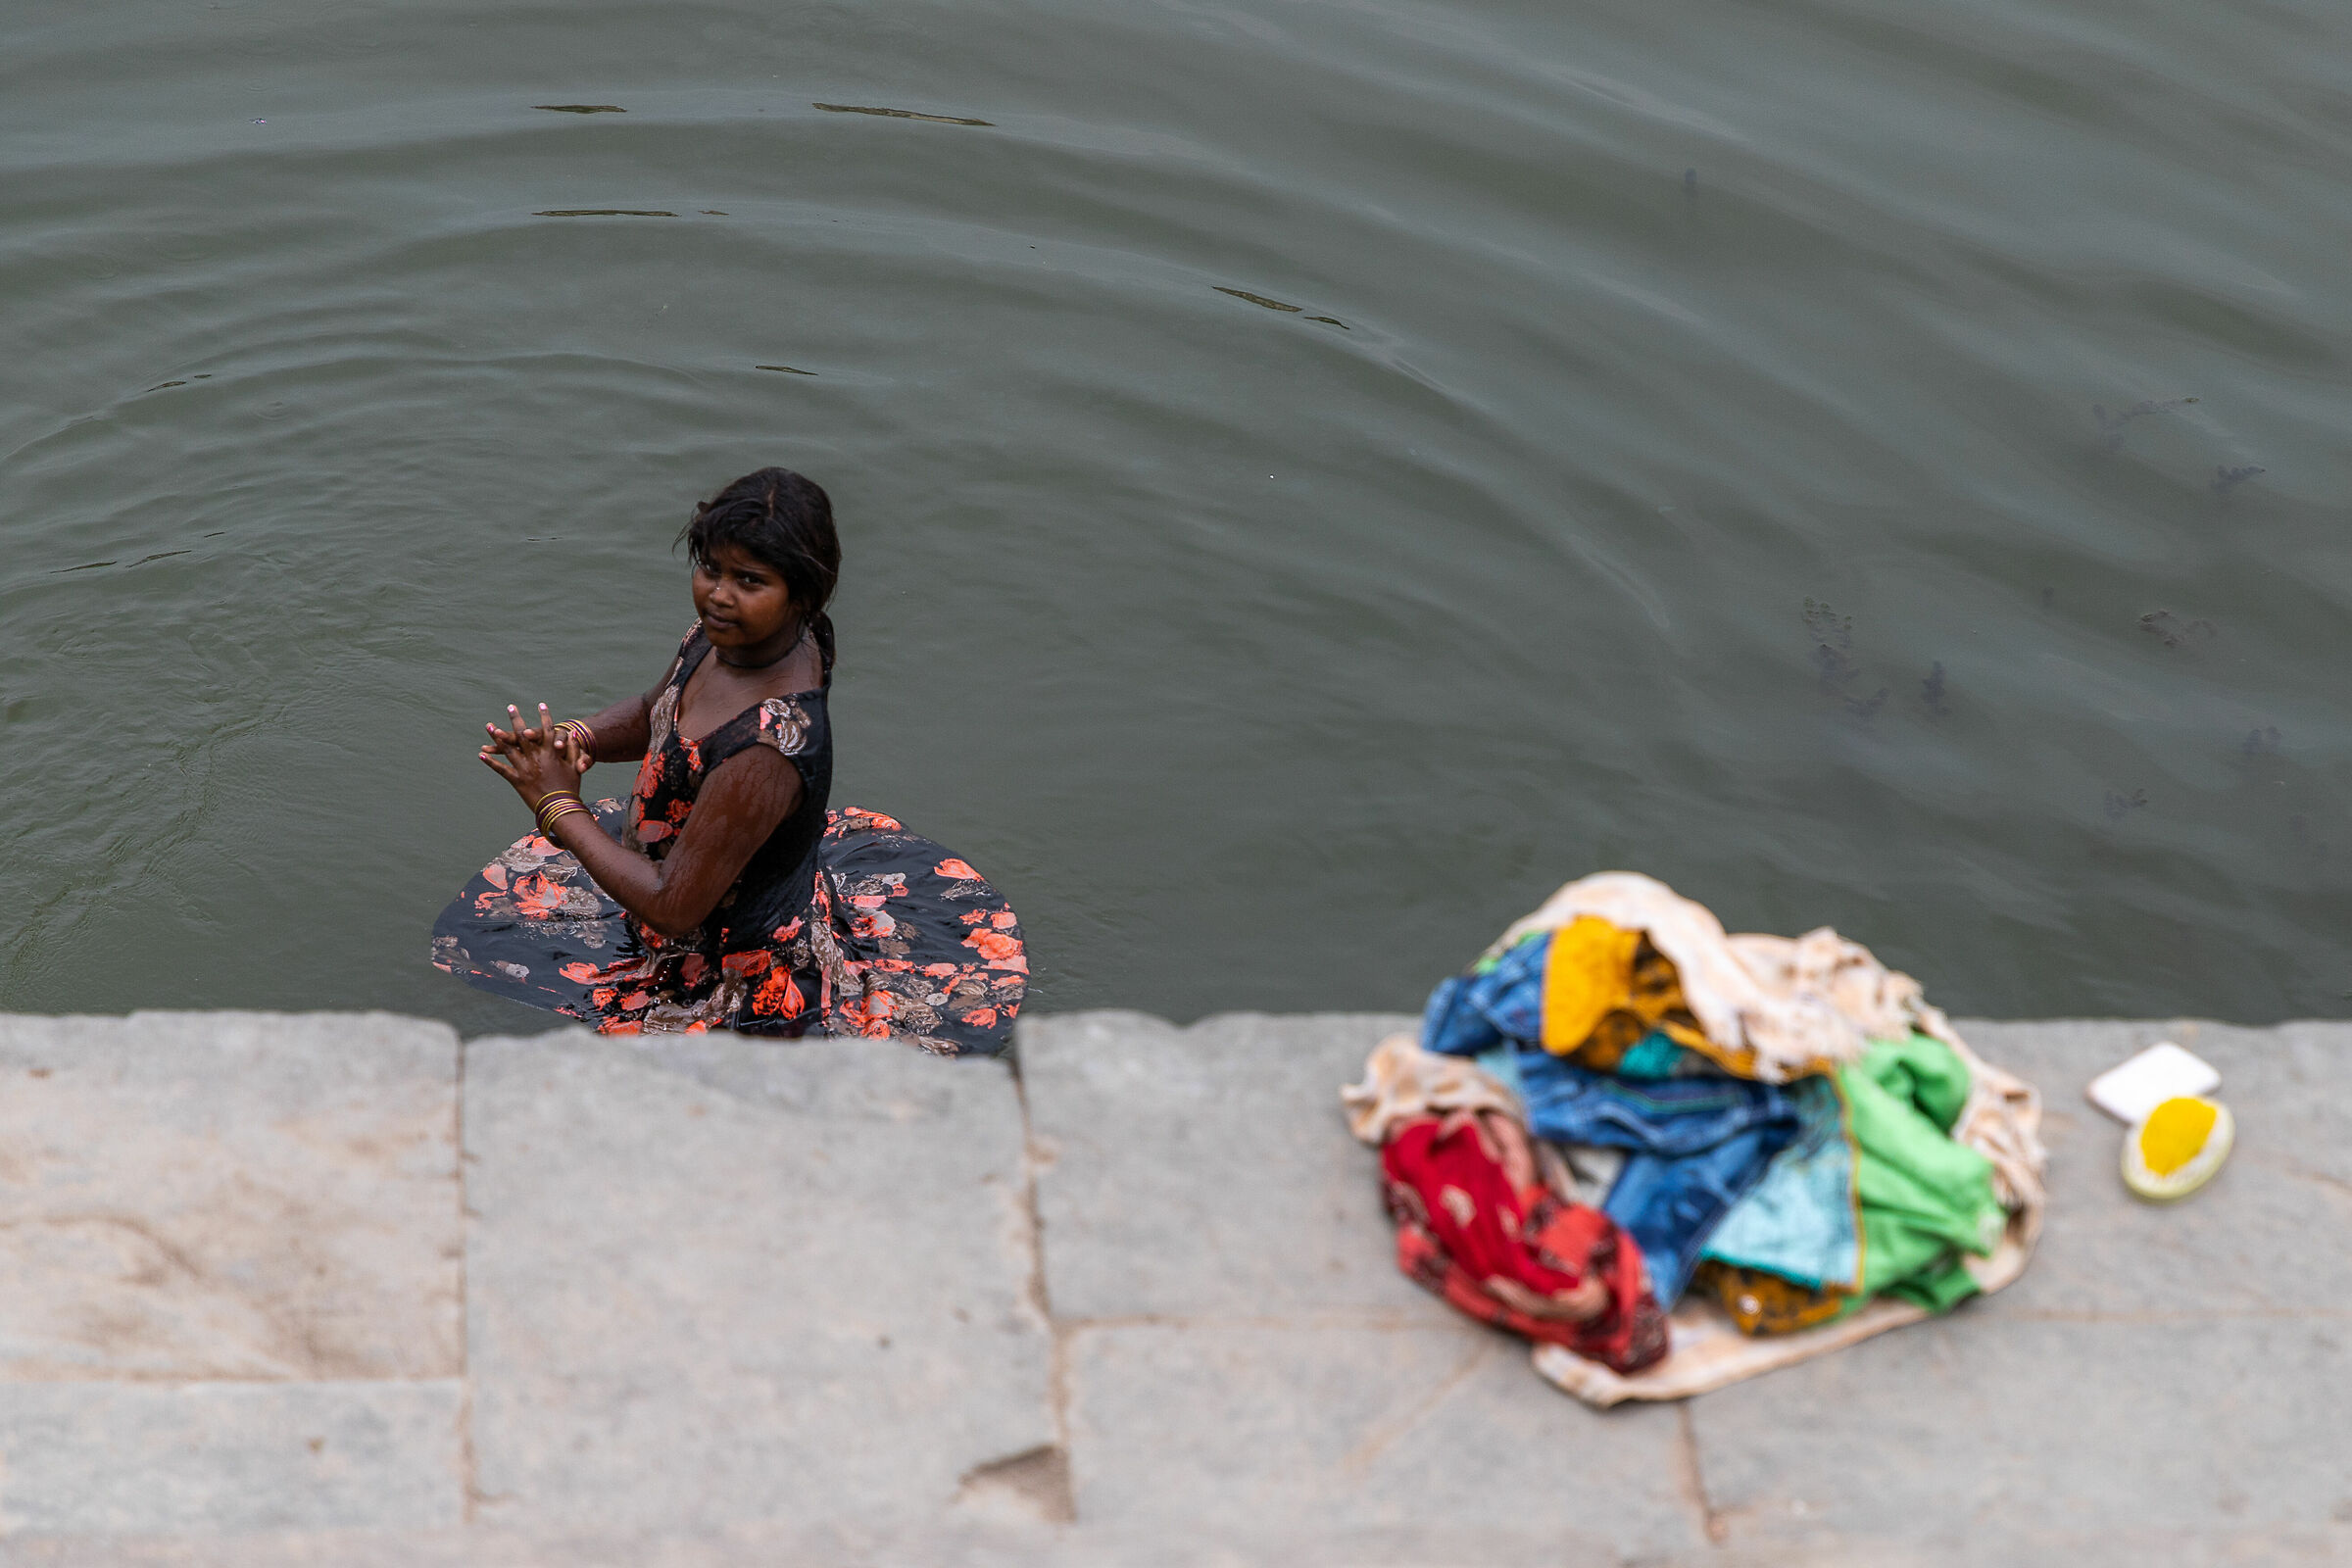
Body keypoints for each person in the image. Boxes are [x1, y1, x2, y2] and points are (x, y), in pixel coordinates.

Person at [429, 466, 1026, 1054]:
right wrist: (574, 738)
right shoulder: (730, 639)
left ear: (804, 594)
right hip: (683, 876)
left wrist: (556, 805)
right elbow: (654, 710)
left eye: (749, 580)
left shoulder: (766, 749)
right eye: (711, 569)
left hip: (727, 963)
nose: (719, 594)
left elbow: (674, 906)